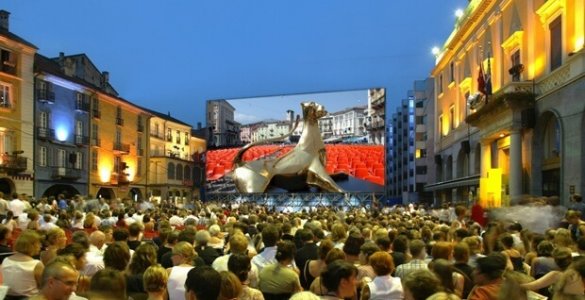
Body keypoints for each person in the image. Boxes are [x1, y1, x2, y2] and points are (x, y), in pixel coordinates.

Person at [1, 230, 44, 298]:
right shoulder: (36, 264)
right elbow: (43, 287)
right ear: (32, 245)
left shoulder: (5, 260)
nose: (40, 246)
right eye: (39, 243)